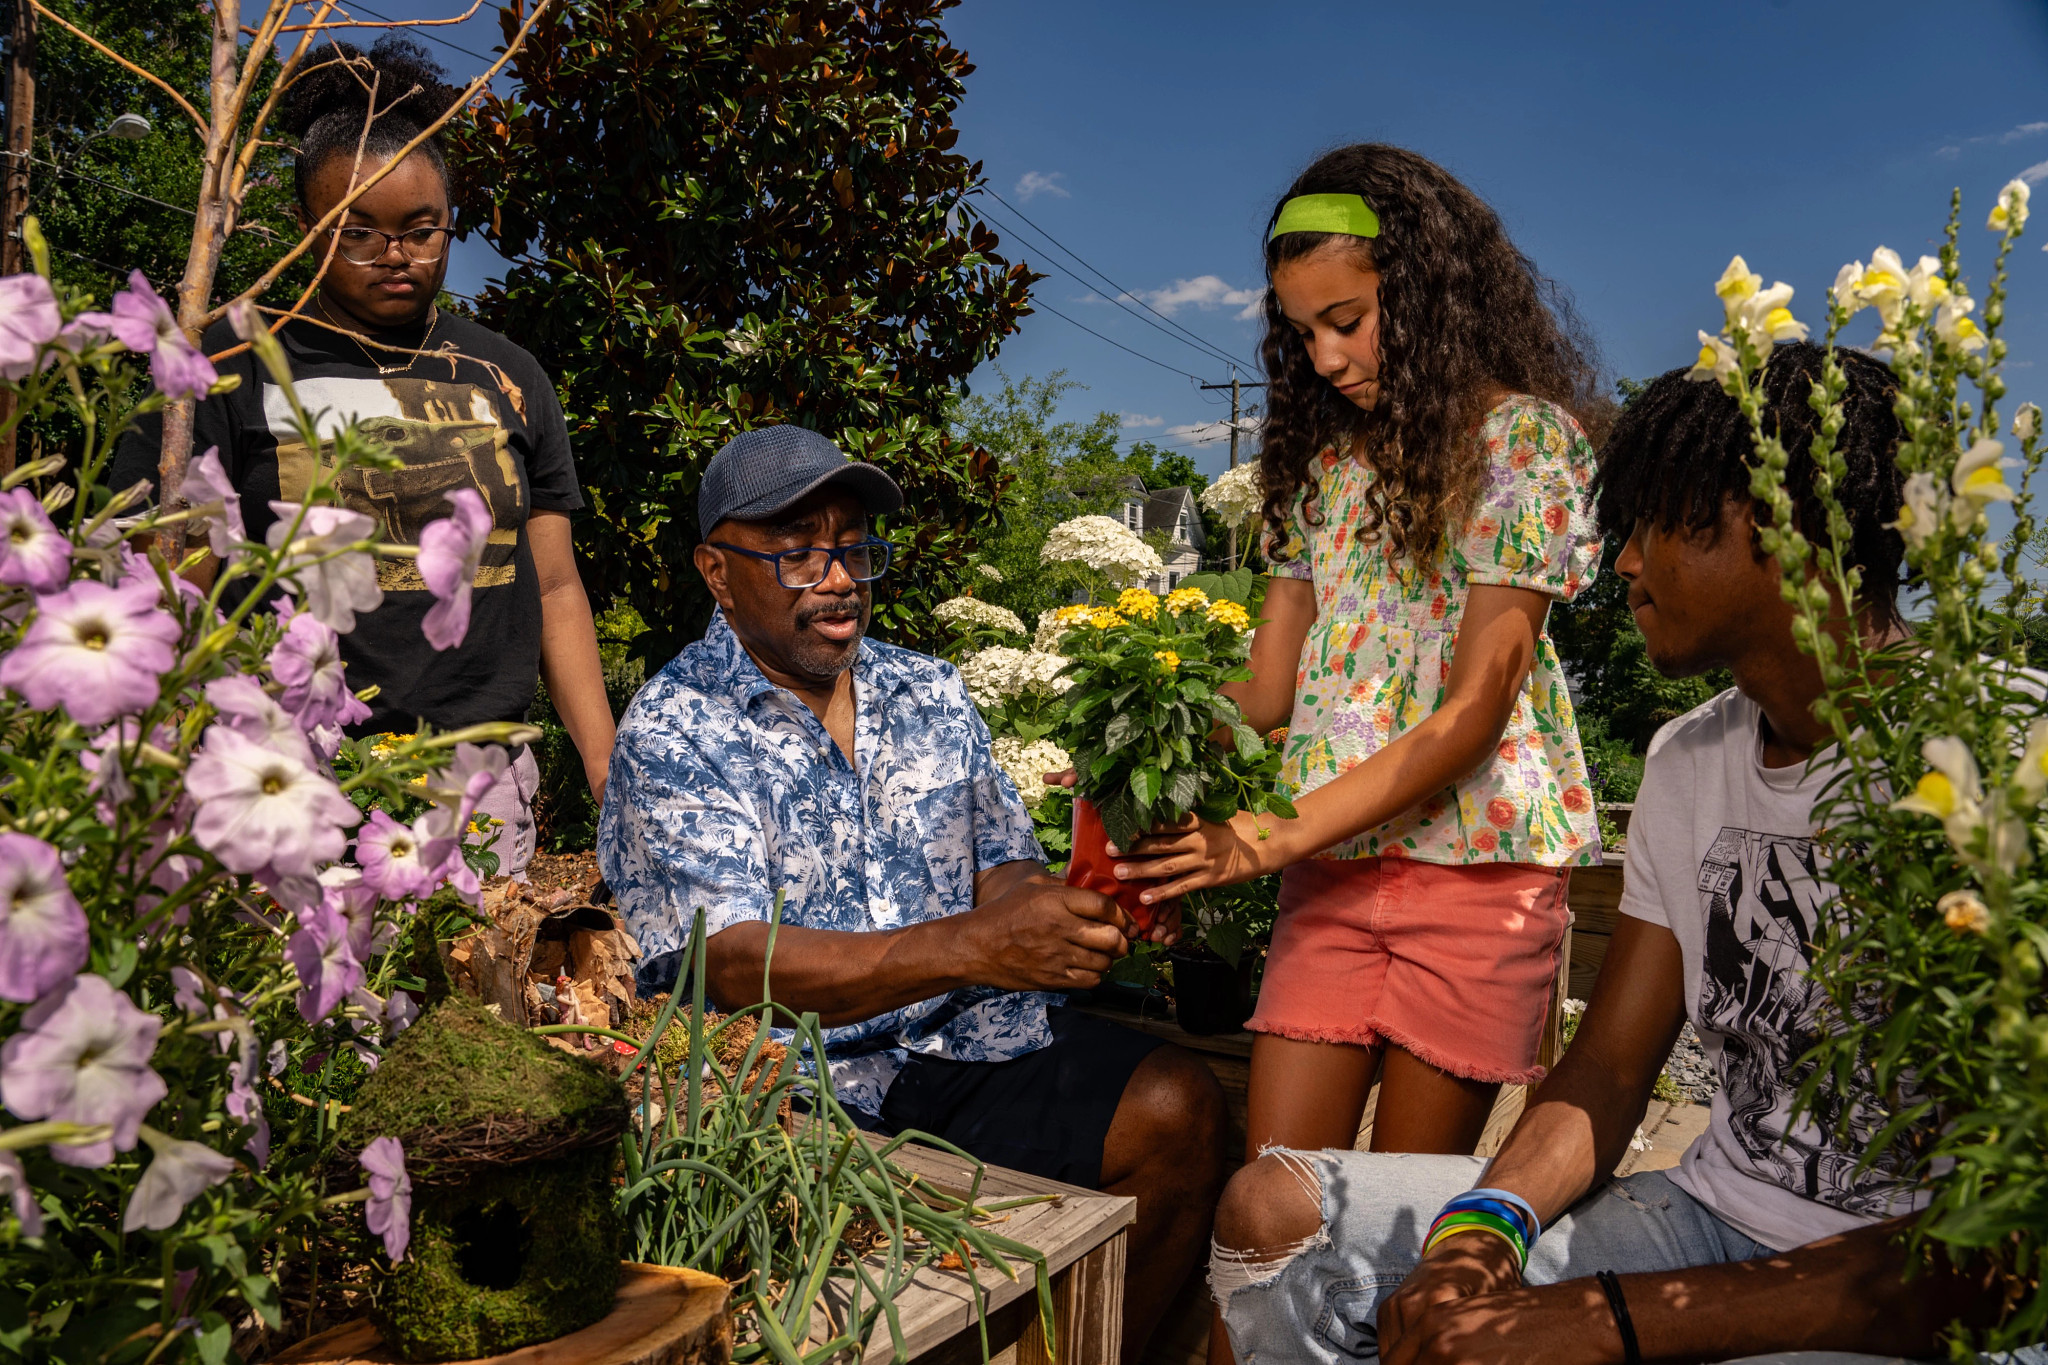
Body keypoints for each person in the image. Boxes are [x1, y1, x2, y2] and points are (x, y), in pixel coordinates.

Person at [1206, 345, 2048, 1365]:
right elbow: (1606, 1069)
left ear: (1776, 524)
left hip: (1911, 1291)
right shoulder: (1689, 759)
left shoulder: (2009, 753)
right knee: (1277, 1218)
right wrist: (1480, 1239)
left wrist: (1603, 1321)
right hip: (1705, 1218)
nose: (1624, 563)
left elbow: (2013, 1244)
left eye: (1654, 522)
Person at [597, 425, 1229, 1365]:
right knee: (871, 1278)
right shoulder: (675, 724)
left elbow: (1004, 866)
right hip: (793, 1092)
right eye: (799, 552)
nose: (840, 579)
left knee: (1178, 1108)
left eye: (854, 547)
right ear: (717, 573)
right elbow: (730, 960)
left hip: (958, 1045)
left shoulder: (926, 689)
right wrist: (978, 945)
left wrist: (1067, 916)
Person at [1120, 144, 1609, 1168]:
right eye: (1303, 334)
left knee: (1395, 1223)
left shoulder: (1524, 444)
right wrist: (1138, 744)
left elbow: (1472, 714)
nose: (1327, 359)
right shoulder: (1317, 471)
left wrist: (1257, 838)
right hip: (1331, 874)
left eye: (1346, 320)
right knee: (1269, 1211)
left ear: (1427, 296)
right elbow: (1266, 690)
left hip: (1476, 878)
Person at [110, 39, 614, 876]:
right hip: (288, 766)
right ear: (306, 229)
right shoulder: (229, 360)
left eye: (421, 230)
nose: (395, 254)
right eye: (358, 233)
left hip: (474, 779)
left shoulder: (508, 375)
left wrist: (604, 766)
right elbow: (170, 569)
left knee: (474, 963)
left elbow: (555, 586)